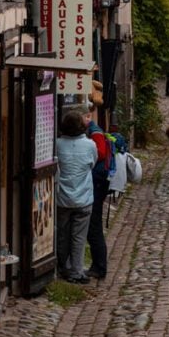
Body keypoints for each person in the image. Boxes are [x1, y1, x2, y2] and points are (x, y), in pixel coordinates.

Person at [55, 109, 98, 284]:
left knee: (62, 234)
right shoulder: (90, 145)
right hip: (83, 197)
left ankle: (61, 267)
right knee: (79, 236)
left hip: (62, 197)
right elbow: (92, 164)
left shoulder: (57, 144)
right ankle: (77, 271)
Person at [84, 106, 112, 279]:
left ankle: (99, 267)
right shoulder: (93, 131)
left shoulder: (95, 133)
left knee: (94, 225)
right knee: (93, 225)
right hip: (97, 182)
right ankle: (98, 265)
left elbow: (100, 154)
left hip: (97, 183)